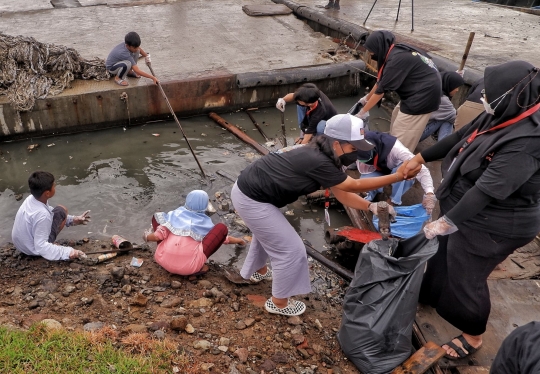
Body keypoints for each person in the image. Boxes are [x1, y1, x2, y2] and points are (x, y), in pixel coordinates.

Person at [402, 60, 540, 360]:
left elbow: (487, 190)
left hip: (495, 223)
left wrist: (445, 221)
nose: (485, 100)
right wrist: (420, 157)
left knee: (467, 275)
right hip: (462, 209)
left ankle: (473, 334)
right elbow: (459, 137)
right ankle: (429, 295)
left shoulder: (528, 140)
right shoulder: (501, 114)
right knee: (440, 255)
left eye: (490, 95)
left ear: (513, 96)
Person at [231, 114, 421, 316]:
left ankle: (256, 272)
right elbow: (353, 185)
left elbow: (343, 194)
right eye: (353, 148)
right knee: (291, 250)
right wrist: (397, 176)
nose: (356, 154)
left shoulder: (325, 156)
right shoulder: (317, 160)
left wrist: (370, 206)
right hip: (251, 199)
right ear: (337, 143)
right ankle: (278, 303)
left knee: (267, 236)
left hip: (253, 192)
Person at [356, 30, 442, 152]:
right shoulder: (394, 52)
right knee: (396, 118)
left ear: (379, 47)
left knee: (402, 136)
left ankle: (399, 160)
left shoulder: (396, 60)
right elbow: (381, 82)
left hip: (422, 98)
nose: (370, 55)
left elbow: (381, 92)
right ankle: (393, 146)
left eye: (371, 51)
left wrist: (362, 112)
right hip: (414, 91)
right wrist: (366, 99)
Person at [143, 190, 245, 277]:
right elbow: (223, 239)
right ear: (205, 206)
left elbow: (157, 236)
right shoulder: (205, 223)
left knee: (158, 216)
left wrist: (146, 237)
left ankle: (168, 253)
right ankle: (199, 268)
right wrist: (240, 241)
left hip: (161, 259)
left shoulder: (174, 215)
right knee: (221, 228)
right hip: (189, 268)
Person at [11, 171, 90, 261]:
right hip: (32, 249)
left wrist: (73, 220)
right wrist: (69, 252)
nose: (55, 185)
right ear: (47, 193)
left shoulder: (31, 199)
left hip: (21, 244)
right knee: (62, 210)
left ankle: (50, 243)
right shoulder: (43, 215)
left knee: (59, 211)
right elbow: (41, 246)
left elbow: (50, 212)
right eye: (53, 185)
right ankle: (50, 243)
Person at [355, 130, 436, 214]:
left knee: (408, 169)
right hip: (377, 169)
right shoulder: (356, 143)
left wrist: (429, 193)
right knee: (363, 183)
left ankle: (393, 200)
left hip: (398, 171)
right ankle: (369, 195)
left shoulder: (396, 149)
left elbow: (422, 169)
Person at [419, 71, 465, 142]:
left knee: (447, 116)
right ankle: (443, 146)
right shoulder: (442, 99)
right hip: (416, 134)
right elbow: (455, 118)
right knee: (449, 118)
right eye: (455, 87)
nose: (457, 90)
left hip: (407, 129)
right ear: (449, 85)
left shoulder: (431, 89)